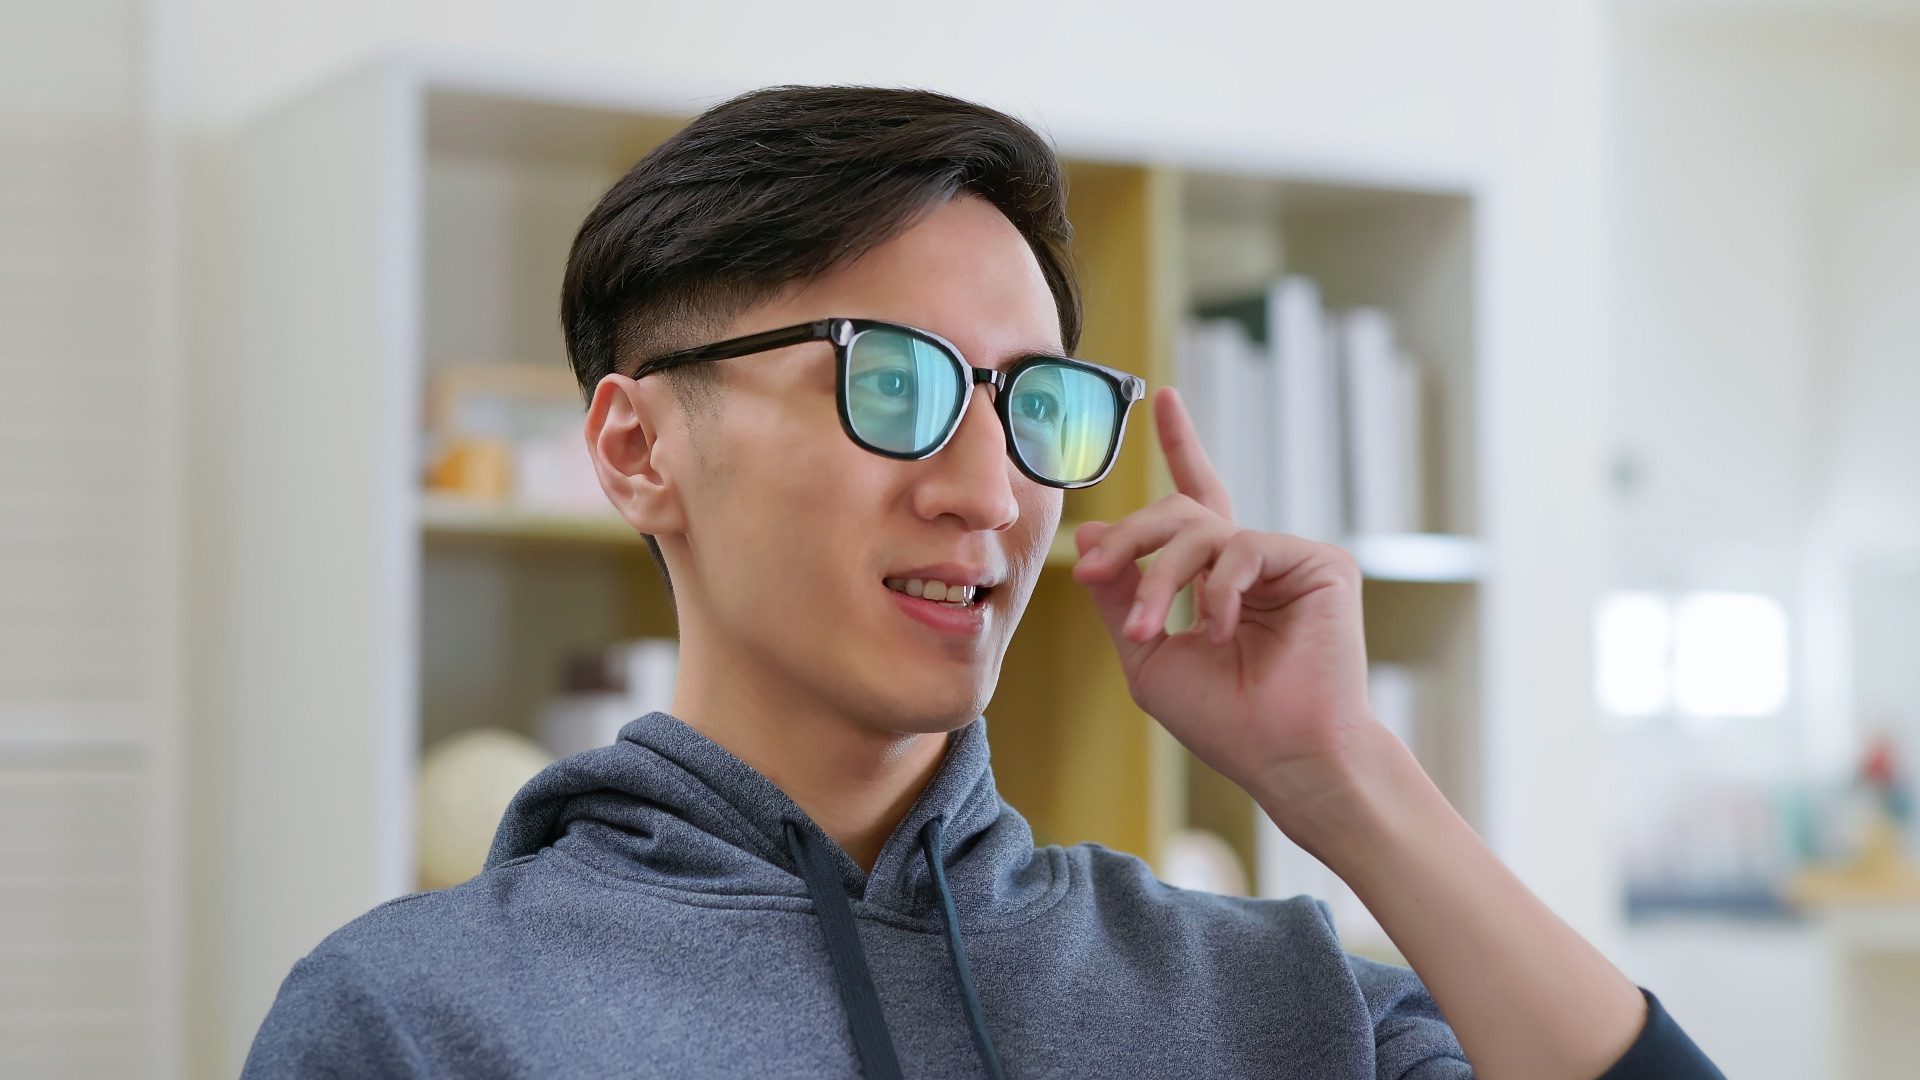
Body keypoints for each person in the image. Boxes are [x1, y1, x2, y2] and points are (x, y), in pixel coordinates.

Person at [243, 84, 1723, 1079]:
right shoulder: (423, 1019)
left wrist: (1347, 782)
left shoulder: (1268, 1000)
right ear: (639, 451)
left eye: (1031, 405)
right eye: (893, 382)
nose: (990, 491)